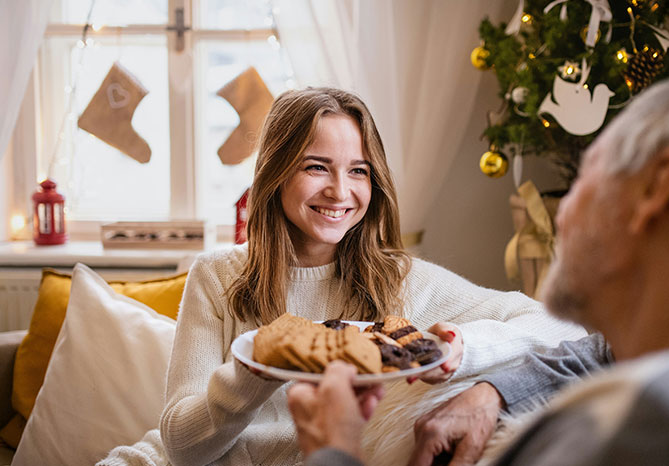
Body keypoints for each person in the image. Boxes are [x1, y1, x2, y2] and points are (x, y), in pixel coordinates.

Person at [99, 87, 583, 466]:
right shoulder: (218, 277)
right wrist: (256, 370)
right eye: (316, 167)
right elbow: (181, 448)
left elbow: (560, 323)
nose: (340, 191)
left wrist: (462, 347)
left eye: (358, 171)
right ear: (277, 173)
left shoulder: (400, 280)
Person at [288, 69, 669, 466]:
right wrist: (493, 392)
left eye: (588, 173)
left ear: (657, 187)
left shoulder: (658, 428)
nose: (557, 215)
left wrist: (335, 451)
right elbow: (594, 352)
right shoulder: (646, 358)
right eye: (316, 166)